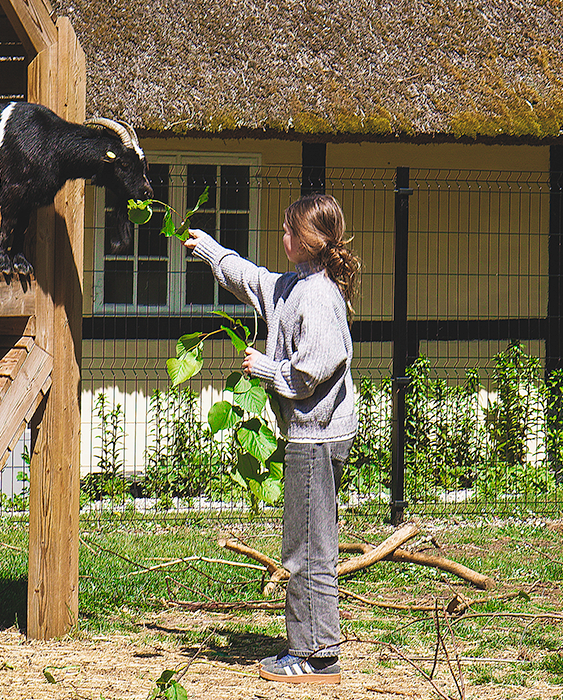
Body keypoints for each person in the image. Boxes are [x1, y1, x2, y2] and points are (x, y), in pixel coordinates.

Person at [184, 193, 361, 685]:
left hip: (318, 435)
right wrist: (212, 251)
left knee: (308, 547)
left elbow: (310, 372)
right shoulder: (293, 285)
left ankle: (317, 657)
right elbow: (253, 280)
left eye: (288, 231)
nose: (281, 238)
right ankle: (310, 647)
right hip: (311, 432)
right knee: (306, 541)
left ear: (309, 240)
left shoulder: (320, 297)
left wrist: (266, 369)